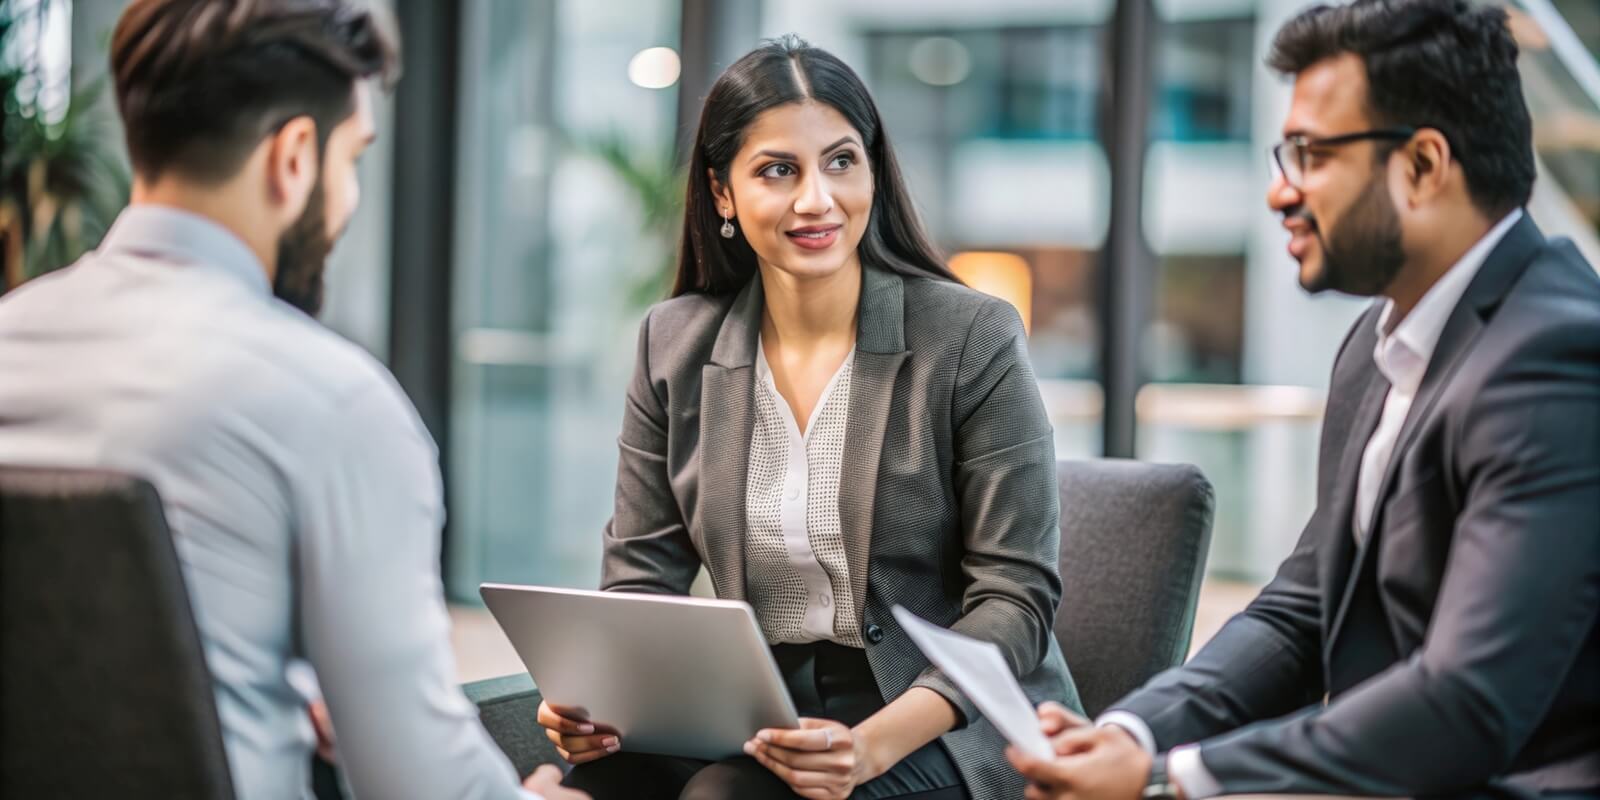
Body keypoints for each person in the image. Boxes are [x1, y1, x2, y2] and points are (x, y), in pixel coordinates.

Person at [1005, 1, 1600, 798]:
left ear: (1423, 166)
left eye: (1311, 155)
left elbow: (1469, 703)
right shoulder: (1376, 345)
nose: (1280, 193)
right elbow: (1301, 613)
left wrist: (1167, 777)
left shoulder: (1555, 358)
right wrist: (1128, 732)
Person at [0, 1, 584, 798]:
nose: (347, 200)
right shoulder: (332, 403)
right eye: (353, 160)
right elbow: (416, 782)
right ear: (296, 157)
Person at [532, 35, 1082, 800]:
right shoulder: (674, 343)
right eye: (777, 171)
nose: (816, 199)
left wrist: (869, 747)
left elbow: (1015, 599)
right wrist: (603, 698)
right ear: (723, 192)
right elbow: (639, 583)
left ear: (873, 170)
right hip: (756, 709)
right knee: (587, 787)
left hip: (943, 717)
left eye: (841, 161)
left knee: (727, 797)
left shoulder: (970, 337)